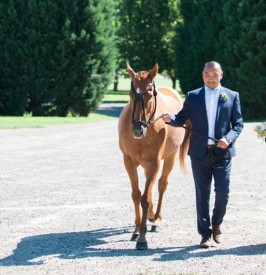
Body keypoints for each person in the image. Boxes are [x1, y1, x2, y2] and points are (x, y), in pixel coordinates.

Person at [161, 61, 244, 248]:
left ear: (221, 75)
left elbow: (238, 124)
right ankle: (204, 233)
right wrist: (170, 119)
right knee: (202, 194)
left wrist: (228, 139)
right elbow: (180, 118)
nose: (211, 78)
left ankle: (217, 224)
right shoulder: (193, 96)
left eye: (214, 75)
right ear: (202, 75)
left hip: (223, 153)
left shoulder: (232, 96)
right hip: (199, 153)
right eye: (207, 74)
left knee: (223, 192)